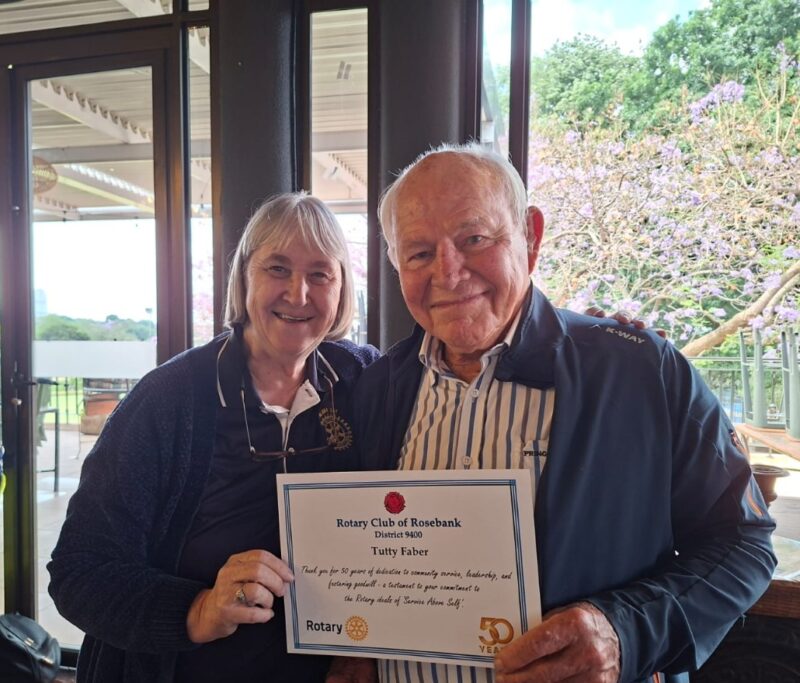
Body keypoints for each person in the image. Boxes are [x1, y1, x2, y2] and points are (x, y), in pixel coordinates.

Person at [350, 144, 776, 683]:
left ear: (530, 236)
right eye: (418, 253)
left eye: (473, 239)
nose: (449, 273)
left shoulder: (643, 372)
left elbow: (743, 540)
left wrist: (626, 631)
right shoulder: (377, 391)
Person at [48, 193, 380, 683]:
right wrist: (198, 609)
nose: (299, 293)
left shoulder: (364, 379)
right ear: (244, 277)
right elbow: (79, 571)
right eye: (278, 269)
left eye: (320, 274)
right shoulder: (168, 400)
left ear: (342, 288)